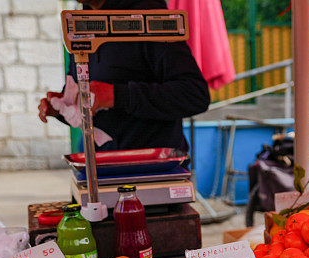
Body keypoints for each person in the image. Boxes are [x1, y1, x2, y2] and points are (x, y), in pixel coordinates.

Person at [38, 0, 210, 153]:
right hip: (102, 166)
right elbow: (87, 100)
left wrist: (116, 95)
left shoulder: (148, 17)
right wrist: (63, 107)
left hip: (154, 168)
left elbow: (195, 94)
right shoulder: (81, 24)